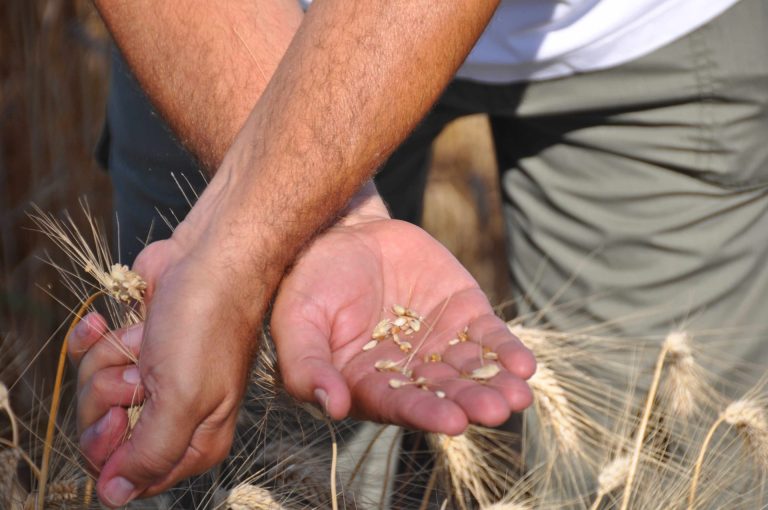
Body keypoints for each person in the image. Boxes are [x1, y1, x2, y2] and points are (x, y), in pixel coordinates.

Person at [71, 0, 768, 507]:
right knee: (248, 483)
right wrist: (280, 237)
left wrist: (237, 246)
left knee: (672, 478)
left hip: (639, 30)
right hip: (236, 34)